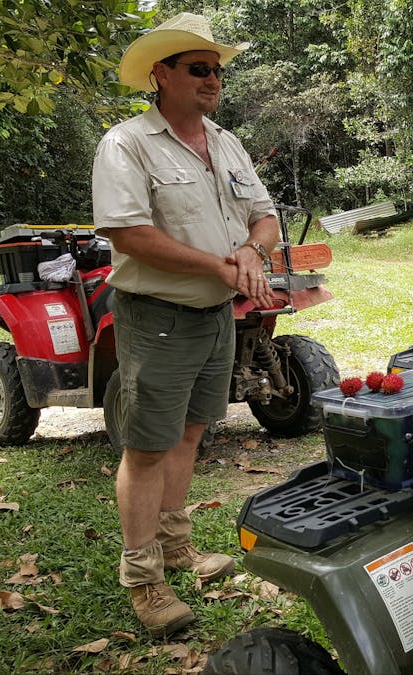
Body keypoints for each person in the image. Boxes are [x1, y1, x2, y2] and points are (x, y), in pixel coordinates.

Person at [91, 13, 279, 637]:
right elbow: (128, 234)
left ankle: (176, 548)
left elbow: (265, 214)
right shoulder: (126, 143)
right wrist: (221, 267)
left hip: (214, 316)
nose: (213, 80)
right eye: (199, 69)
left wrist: (251, 252)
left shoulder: (225, 141)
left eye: (217, 70)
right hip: (157, 315)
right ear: (160, 75)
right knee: (147, 447)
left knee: (191, 433)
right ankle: (145, 581)